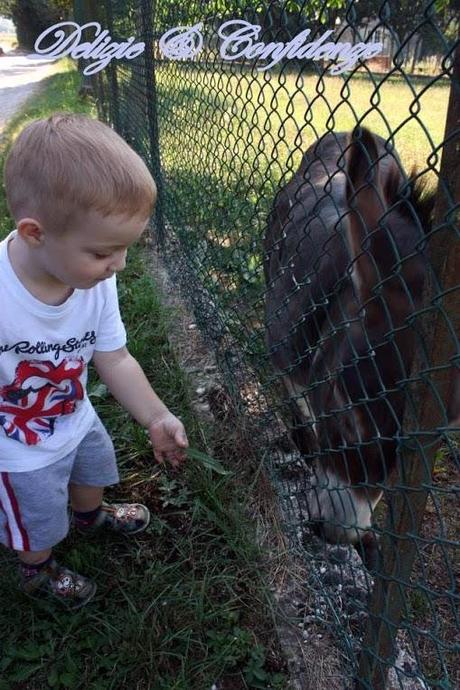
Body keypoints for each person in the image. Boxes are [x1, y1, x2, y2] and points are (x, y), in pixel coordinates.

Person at [0, 112, 189, 608]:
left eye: (126, 249)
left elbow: (116, 357)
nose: (119, 266)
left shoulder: (94, 284)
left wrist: (155, 416)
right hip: (17, 449)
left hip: (75, 417)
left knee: (92, 473)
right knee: (38, 518)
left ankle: (91, 516)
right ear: (35, 233)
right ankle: (36, 569)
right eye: (105, 251)